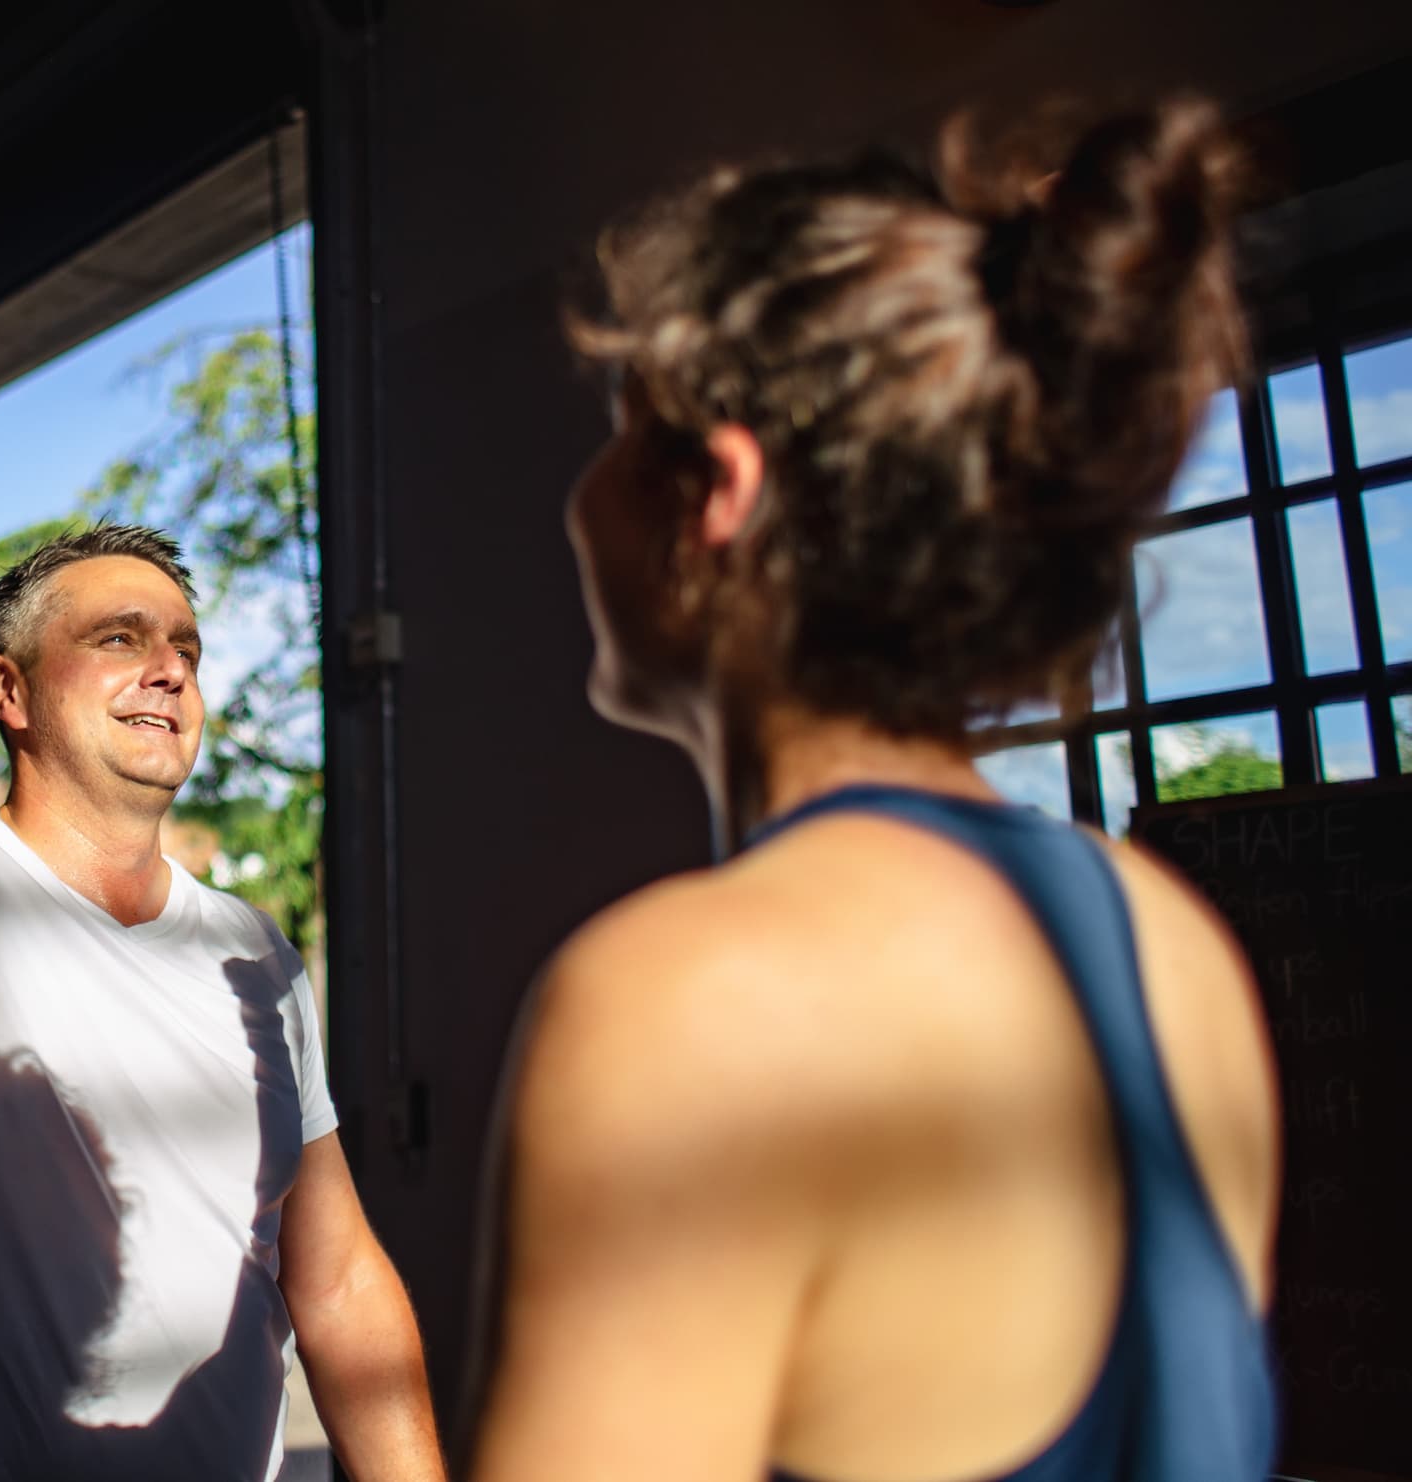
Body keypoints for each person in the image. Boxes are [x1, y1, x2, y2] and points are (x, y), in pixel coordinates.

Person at [469, 100, 1279, 1482]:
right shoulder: (1175, 941)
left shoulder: (693, 1003)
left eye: (618, 428)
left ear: (717, 492)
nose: (582, 491)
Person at [0, 327, 444, 1482]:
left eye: (187, 651)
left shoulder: (255, 954)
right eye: (119, 639)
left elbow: (339, 1278)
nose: (170, 671)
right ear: (6, 689)